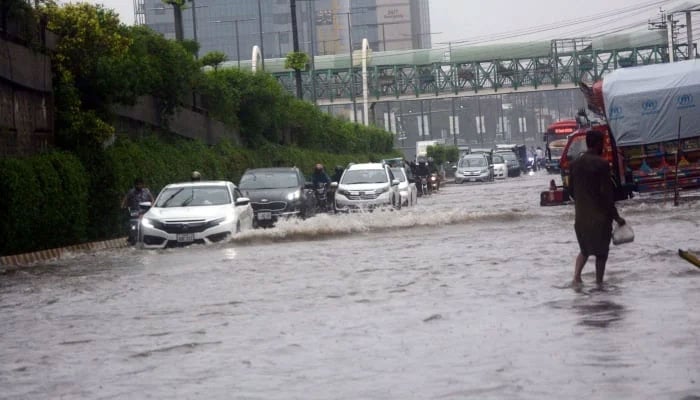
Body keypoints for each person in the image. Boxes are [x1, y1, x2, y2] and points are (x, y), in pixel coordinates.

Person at [569, 130, 625, 285]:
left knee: (585, 250)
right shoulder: (602, 164)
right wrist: (617, 217)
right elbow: (607, 195)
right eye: (603, 144)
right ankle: (599, 283)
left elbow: (570, 191)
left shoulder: (574, 164)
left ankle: (576, 278)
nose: (605, 147)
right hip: (600, 219)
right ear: (597, 144)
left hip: (580, 219)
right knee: (601, 254)